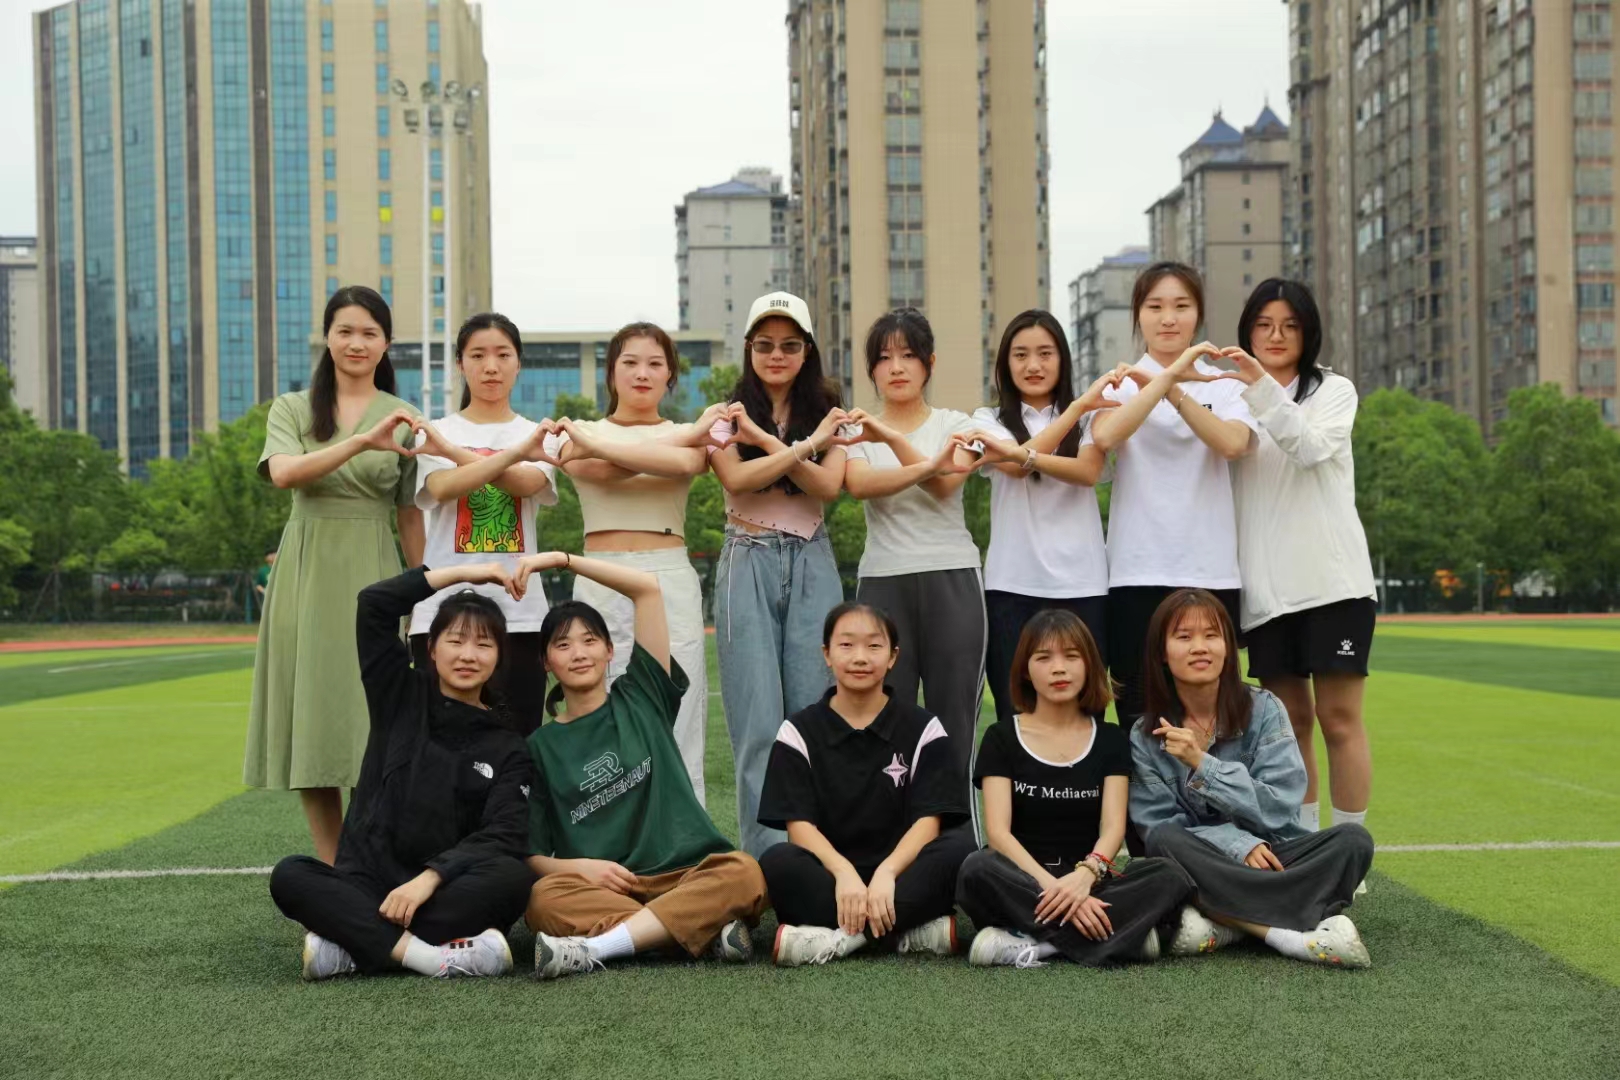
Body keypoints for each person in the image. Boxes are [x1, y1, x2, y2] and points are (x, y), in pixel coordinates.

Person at [268, 562, 537, 980]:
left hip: (439, 892)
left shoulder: (507, 744)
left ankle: (351, 946)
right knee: (290, 875)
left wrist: (430, 877)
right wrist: (469, 572)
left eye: (484, 645)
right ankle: (428, 957)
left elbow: (503, 833)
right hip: (367, 882)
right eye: (455, 640)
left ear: (499, 656)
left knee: (513, 878)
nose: (468, 655)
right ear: (432, 649)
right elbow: (373, 604)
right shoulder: (398, 693)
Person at [518, 550, 766, 980]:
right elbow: (533, 856)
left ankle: (600, 947)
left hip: (687, 875)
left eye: (589, 640)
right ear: (546, 662)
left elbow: (647, 590)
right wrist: (580, 868)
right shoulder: (538, 747)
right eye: (562, 644)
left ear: (609, 649)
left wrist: (563, 560)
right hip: (608, 888)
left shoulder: (642, 695)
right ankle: (700, 930)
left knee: (744, 873)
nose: (578, 653)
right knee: (542, 899)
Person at [247, 285, 426, 865]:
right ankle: (332, 867)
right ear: (327, 337)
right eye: (345, 330)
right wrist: (359, 443)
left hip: (375, 568)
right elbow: (284, 474)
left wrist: (424, 591)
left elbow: (409, 514)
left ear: (386, 343)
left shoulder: (407, 418)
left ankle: (371, 859)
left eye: (369, 332)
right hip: (307, 570)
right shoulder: (293, 408)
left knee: (373, 719)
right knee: (315, 717)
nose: (356, 343)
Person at [670, 291, 849, 858]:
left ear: (807, 351)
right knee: (757, 723)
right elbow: (738, 481)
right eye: (765, 344)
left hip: (812, 556)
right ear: (748, 348)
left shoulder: (828, 410)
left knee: (816, 716)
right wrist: (807, 451)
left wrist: (782, 444)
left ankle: (819, 859)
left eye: (790, 345)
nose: (777, 355)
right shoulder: (726, 415)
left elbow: (828, 486)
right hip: (746, 556)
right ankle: (769, 863)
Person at [1129, 589, 1374, 968]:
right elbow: (1158, 825)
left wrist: (1201, 763)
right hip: (1207, 860)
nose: (1200, 647)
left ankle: (1226, 922)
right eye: (1184, 637)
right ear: (1162, 652)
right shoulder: (1146, 734)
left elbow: (1280, 806)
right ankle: (1287, 933)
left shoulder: (1265, 708)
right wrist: (1236, 844)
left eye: (1212, 635)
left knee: (1354, 842)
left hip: (1274, 856)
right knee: (1163, 842)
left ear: (1228, 647)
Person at [1220, 280, 1377, 837]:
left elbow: (1307, 448)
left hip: (1333, 584)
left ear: (1309, 333)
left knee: (1339, 721)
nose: (1276, 336)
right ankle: (1303, 844)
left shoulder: (1334, 391)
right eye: (1264, 325)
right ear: (1247, 331)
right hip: (1266, 592)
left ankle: (1350, 852)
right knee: (1288, 729)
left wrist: (1260, 386)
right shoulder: (1229, 395)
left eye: (1290, 325)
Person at [957, 610, 1193, 967]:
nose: (1059, 668)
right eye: (1044, 658)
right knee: (976, 869)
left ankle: (1041, 945)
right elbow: (999, 834)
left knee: (1169, 875)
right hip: (1022, 879)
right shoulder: (1001, 737)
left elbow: (1113, 829)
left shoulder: (1110, 739)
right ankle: (1119, 939)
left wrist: (1084, 878)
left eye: (1071, 656)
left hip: (1089, 877)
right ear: (1025, 670)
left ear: (1090, 665)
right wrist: (1055, 889)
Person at [541, 324, 709, 803]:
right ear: (611, 372)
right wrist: (598, 446)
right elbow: (592, 469)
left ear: (670, 375)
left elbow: (685, 465)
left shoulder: (682, 436)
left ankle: (685, 833)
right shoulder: (586, 431)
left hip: (669, 571)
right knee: (600, 703)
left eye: (655, 364)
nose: (642, 373)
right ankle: (610, 828)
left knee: (679, 704)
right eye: (630, 362)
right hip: (600, 575)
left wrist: (681, 441)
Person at [1088, 261, 1259, 729]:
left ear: (1198, 314)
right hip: (1135, 571)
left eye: (1181, 306)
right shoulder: (1119, 382)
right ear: (1138, 315)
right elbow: (1106, 437)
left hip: (1209, 569)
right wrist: (1158, 382)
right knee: (1138, 714)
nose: (1168, 318)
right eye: (1155, 307)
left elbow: (1232, 443)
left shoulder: (1225, 384)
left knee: (1213, 716)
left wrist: (1173, 389)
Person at [757, 602, 976, 967]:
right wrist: (843, 872)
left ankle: (840, 939)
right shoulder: (797, 731)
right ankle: (907, 933)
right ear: (827, 654)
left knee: (959, 850)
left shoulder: (924, 728)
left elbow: (929, 822)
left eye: (874, 646)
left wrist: (887, 873)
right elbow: (798, 827)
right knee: (778, 861)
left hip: (903, 874)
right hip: (830, 878)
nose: (860, 657)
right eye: (846, 645)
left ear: (893, 657)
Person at [841, 309, 984, 775]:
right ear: (871, 370)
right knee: (884, 719)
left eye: (908, 355)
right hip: (884, 579)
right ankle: (889, 822)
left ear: (930, 363)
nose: (896, 367)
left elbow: (946, 485)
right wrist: (928, 462)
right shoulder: (854, 431)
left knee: (954, 720)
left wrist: (886, 436)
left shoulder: (956, 423)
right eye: (883, 358)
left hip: (952, 577)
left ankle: (956, 823)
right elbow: (861, 485)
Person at [961, 309, 1119, 726]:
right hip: (1012, 584)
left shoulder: (1092, 417)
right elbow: (1014, 469)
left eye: (1045, 353)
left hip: (1083, 584)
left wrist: (1028, 451)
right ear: (1005, 364)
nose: (1033, 365)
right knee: (1016, 713)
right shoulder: (987, 420)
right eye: (1021, 355)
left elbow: (1086, 472)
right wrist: (1076, 408)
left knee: (1085, 713)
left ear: (1063, 359)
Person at [408, 313, 558, 735]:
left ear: (518, 363)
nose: (491, 367)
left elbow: (527, 484)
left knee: (518, 742)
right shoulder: (435, 432)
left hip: (521, 615)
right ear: (460, 364)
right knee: (440, 745)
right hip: (440, 613)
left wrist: (452, 452)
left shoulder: (539, 434)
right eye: (477, 356)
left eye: (502, 355)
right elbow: (442, 488)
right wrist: (513, 455)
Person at [253, 548, 277, 619]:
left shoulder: (282, 568)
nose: (273, 556)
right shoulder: (262, 571)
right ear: (266, 558)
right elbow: (258, 584)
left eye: (274, 554)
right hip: (268, 598)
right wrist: (264, 591)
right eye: (270, 554)